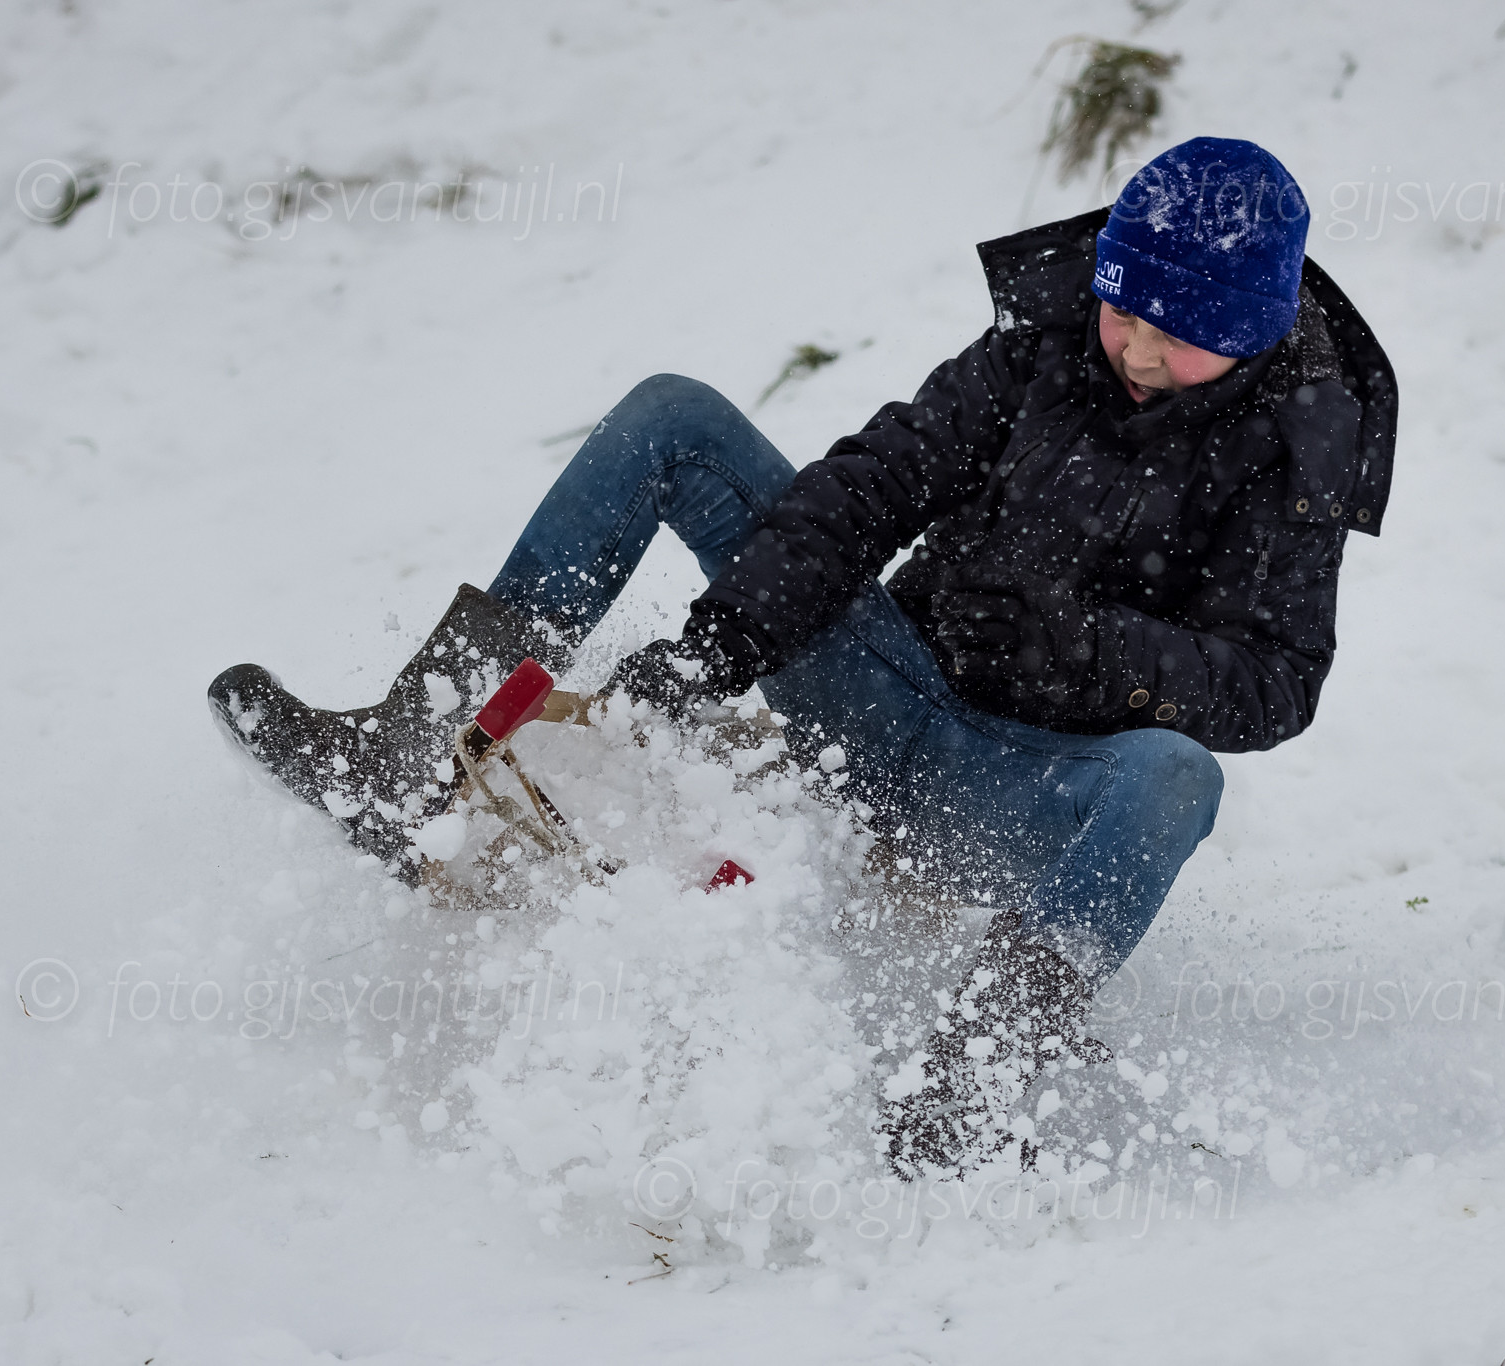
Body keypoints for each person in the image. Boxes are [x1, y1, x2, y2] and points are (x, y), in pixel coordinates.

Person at [207, 136, 1397, 1177]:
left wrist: (1083, 647)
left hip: (1024, 788)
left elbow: (1275, 684)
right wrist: (716, 648)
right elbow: (867, 491)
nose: (1133, 349)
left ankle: (979, 1069)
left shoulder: (1295, 449)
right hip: (886, 691)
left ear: (1249, 334)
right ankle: (417, 754)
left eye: (1175, 339)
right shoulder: (1046, 344)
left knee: (1179, 778)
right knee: (674, 416)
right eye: (1122, 309)